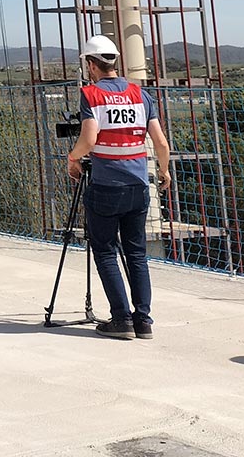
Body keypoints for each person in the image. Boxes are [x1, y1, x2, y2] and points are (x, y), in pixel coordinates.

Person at [66, 34, 171, 340]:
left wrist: (72, 158)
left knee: (105, 250)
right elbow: (161, 142)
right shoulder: (140, 93)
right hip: (138, 186)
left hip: (106, 185)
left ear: (90, 64)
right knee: (136, 253)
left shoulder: (91, 94)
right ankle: (143, 321)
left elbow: (89, 140)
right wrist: (163, 172)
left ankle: (121, 319)